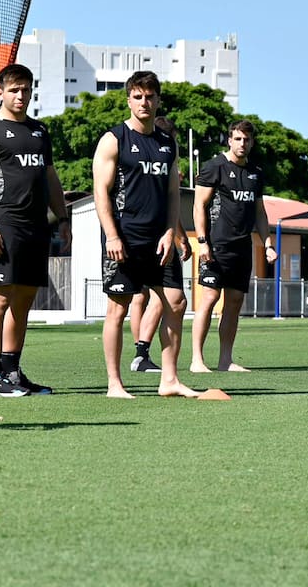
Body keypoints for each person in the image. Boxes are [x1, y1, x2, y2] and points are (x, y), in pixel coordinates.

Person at [92, 71, 198, 399]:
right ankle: (114, 384)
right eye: (138, 97)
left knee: (176, 302)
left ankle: (169, 380)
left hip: (159, 240)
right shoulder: (114, 139)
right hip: (124, 239)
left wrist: (171, 232)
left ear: (158, 100)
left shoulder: (167, 143)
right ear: (128, 100)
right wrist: (112, 236)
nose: (144, 102)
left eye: (150, 97)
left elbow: (171, 194)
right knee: (118, 308)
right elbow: (100, 191)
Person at [0, 63, 68, 397]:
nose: (21, 95)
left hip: (36, 227)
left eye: (26, 89)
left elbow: (50, 177)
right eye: (14, 89)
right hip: (3, 225)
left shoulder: (39, 131)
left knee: (23, 301)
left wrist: (63, 218)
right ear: (0, 91)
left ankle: (11, 373)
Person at [189, 120, 277, 373]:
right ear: (229, 140)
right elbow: (199, 206)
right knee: (209, 297)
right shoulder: (213, 167)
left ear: (252, 142)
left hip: (242, 247)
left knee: (235, 301)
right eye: (237, 139)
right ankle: (197, 360)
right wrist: (203, 242)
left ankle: (225, 360)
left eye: (246, 139)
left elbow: (260, 213)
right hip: (215, 246)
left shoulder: (255, 173)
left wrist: (267, 244)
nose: (242, 143)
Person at [128, 116, 191, 374]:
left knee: (150, 297)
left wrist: (179, 235)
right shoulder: (154, 156)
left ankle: (142, 354)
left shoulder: (166, 162)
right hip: (144, 238)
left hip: (159, 235)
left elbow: (170, 204)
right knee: (153, 297)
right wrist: (180, 236)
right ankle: (141, 353)